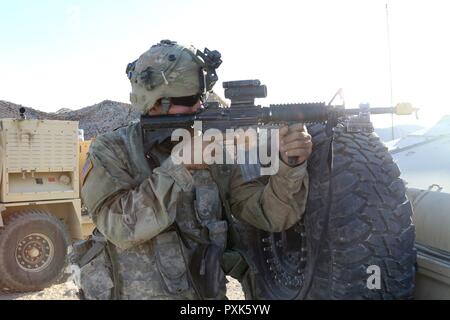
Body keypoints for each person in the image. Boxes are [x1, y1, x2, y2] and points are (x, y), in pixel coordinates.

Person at [73, 39, 312, 300]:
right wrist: (180, 166)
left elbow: (269, 216)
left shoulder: (215, 148)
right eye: (188, 100)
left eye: (201, 97)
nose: (198, 106)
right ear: (153, 103)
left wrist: (290, 165)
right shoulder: (112, 150)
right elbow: (118, 226)